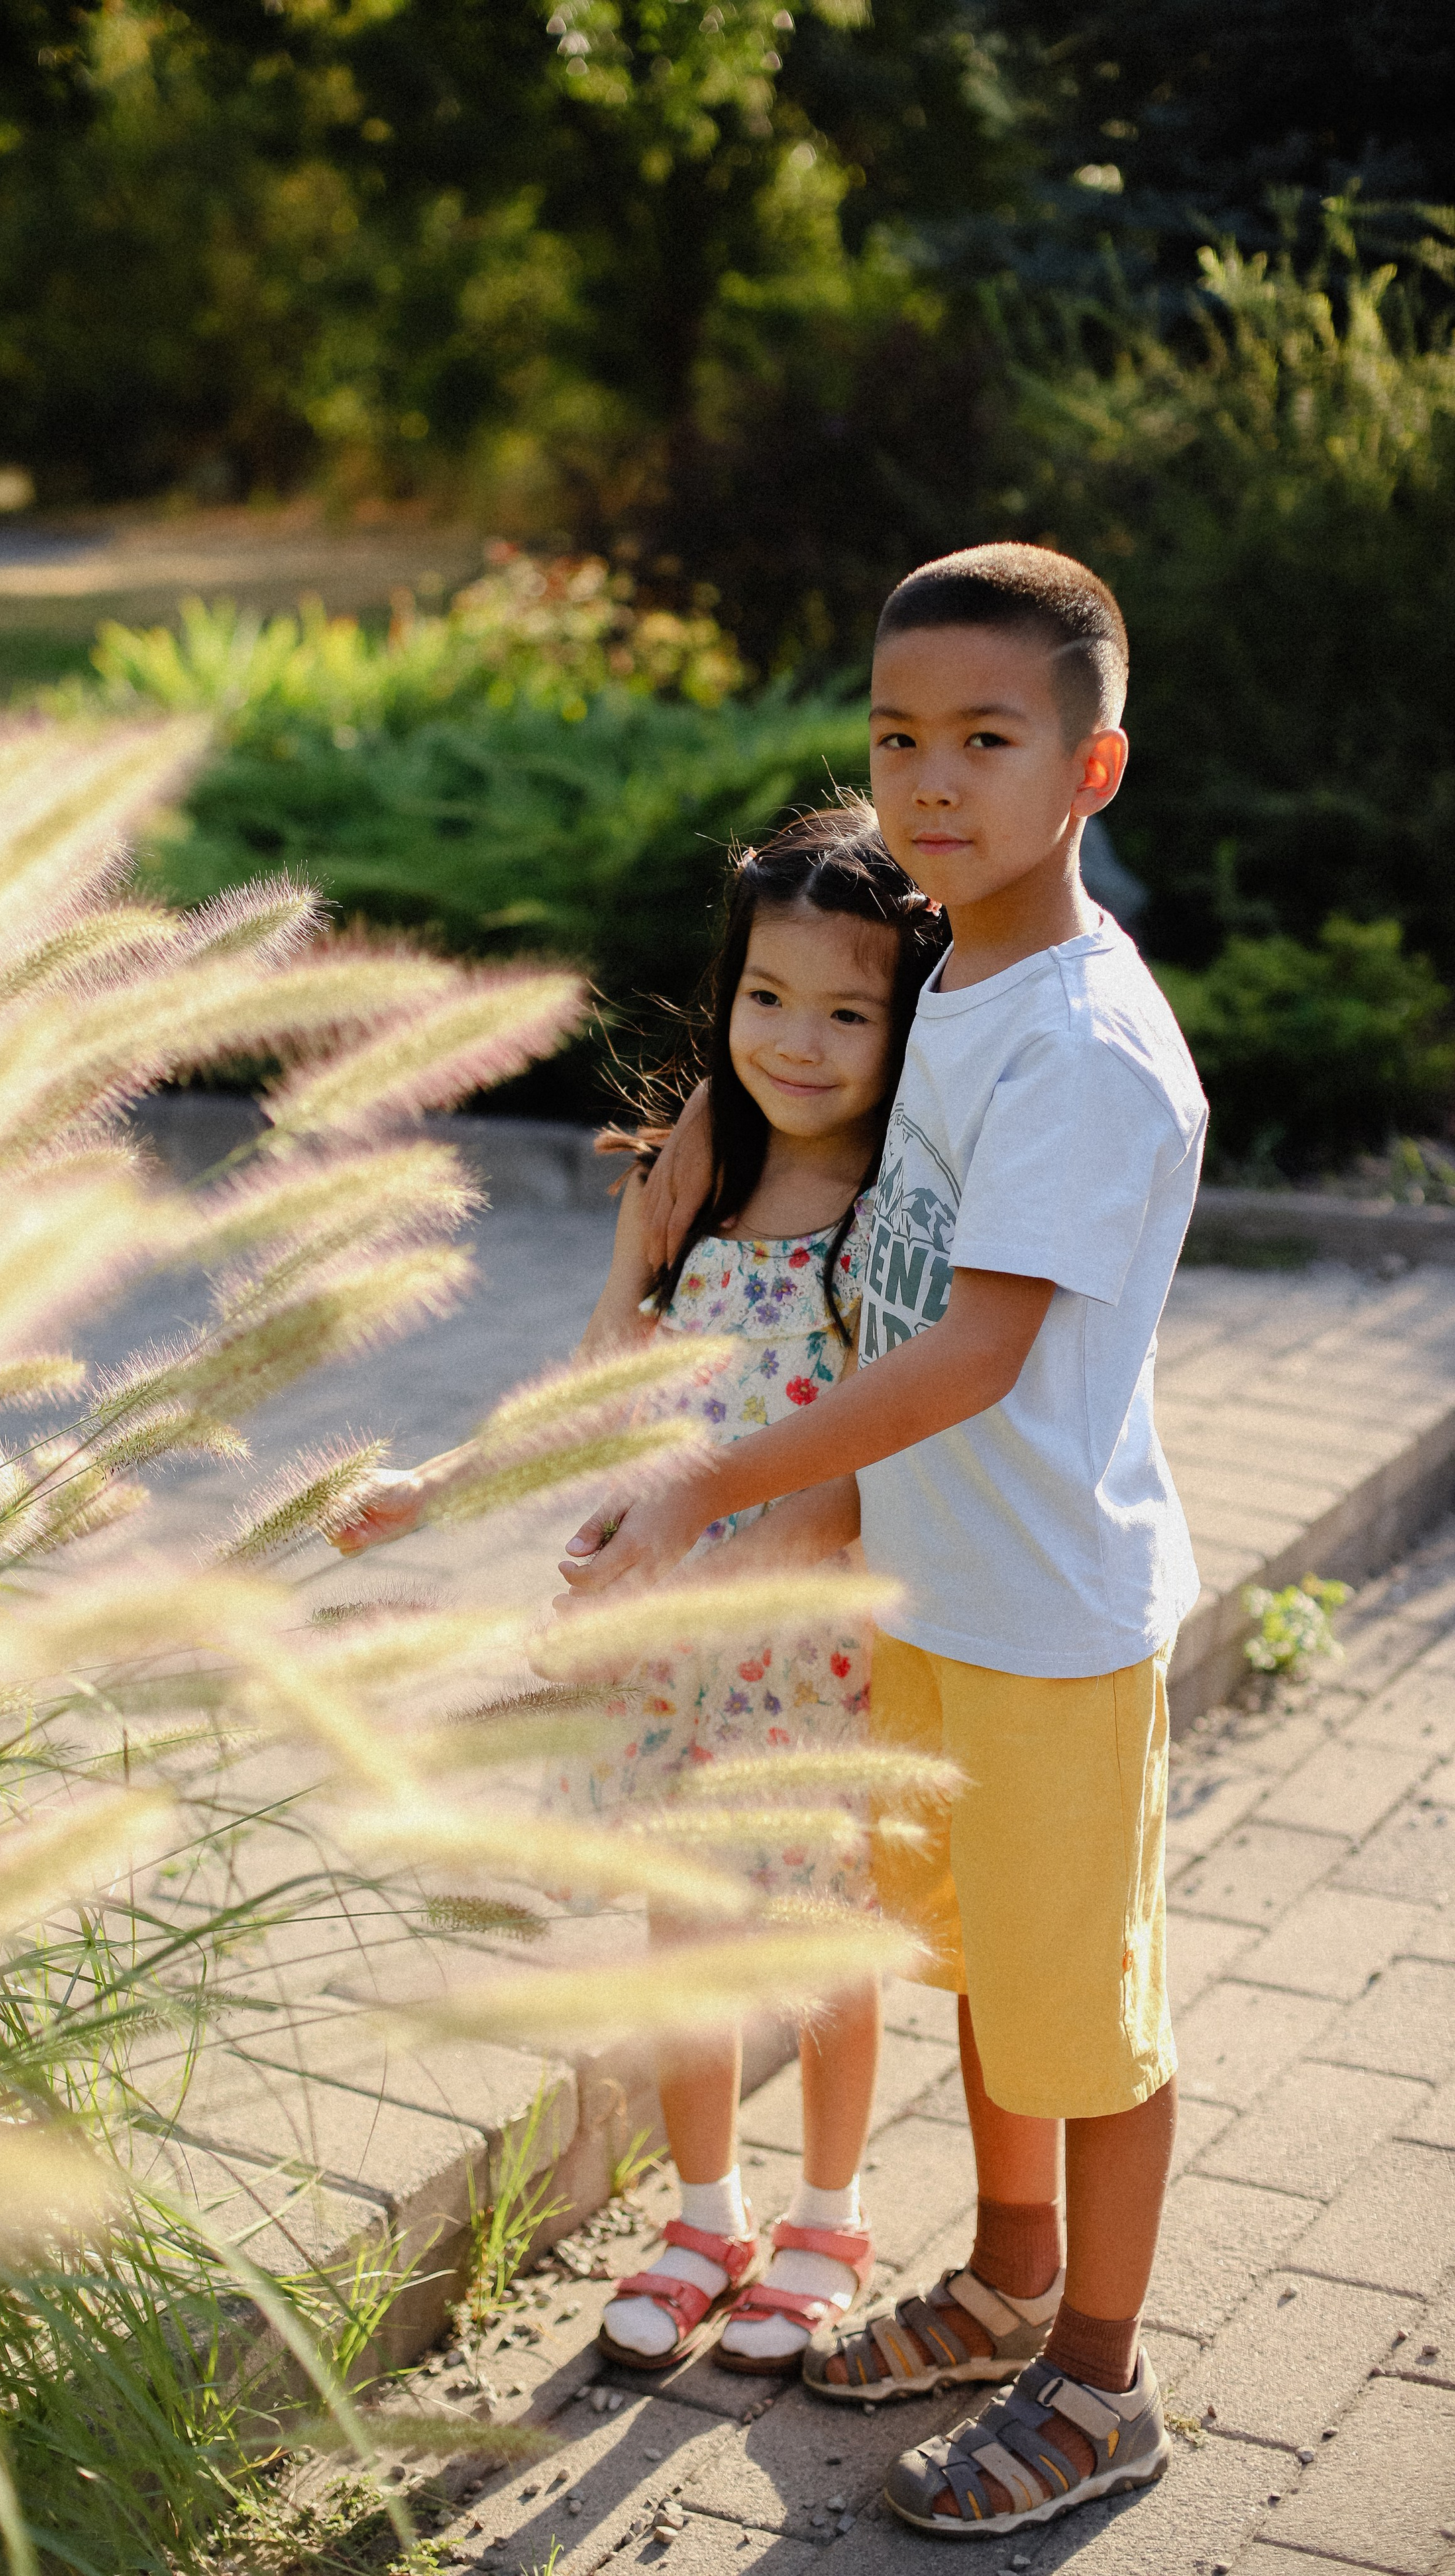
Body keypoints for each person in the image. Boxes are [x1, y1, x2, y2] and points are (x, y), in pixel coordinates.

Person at [561, 542, 1205, 2540]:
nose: (932, 780)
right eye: (898, 735)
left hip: (1048, 1621)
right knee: (985, 1980)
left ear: (1091, 773)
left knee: (1082, 2013)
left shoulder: (1082, 1044)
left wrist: (712, 1487)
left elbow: (977, 1355)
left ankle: (1099, 2378)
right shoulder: (959, 983)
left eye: (987, 741)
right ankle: (1009, 2275)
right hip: (933, 1600)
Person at [339, 804, 947, 2379]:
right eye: (766, 997)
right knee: (678, 1935)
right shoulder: (689, 1170)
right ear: (723, 989)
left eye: (845, 1011)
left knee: (817, 1946)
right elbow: (597, 1376)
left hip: (810, 1650)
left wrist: (723, 1553)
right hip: (671, 1652)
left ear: (905, 1022)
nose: (795, 1042)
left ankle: (828, 2210)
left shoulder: (894, 1214)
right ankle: (704, 2214)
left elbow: (886, 1448)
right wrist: (442, 1482)